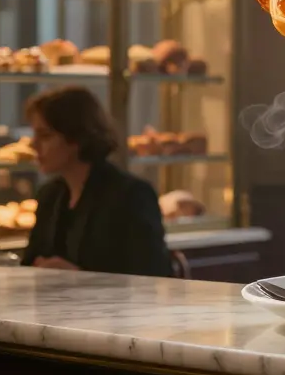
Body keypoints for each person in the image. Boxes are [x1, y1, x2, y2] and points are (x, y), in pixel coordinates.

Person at [21, 86, 172, 276]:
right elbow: (30, 263)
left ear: (76, 138)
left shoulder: (130, 195)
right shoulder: (50, 195)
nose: (33, 144)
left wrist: (78, 277)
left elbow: (153, 276)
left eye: (45, 135)